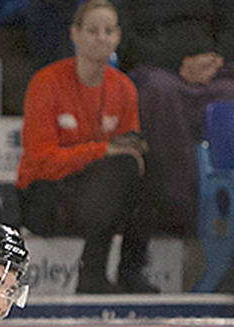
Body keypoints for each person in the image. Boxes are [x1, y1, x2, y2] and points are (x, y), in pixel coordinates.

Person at [17, 0, 156, 294]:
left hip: (95, 194)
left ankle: (131, 270)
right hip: (46, 196)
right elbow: (41, 161)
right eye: (92, 30)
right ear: (75, 34)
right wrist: (102, 150)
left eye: (108, 31)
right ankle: (91, 272)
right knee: (117, 170)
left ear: (118, 36)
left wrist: (120, 155)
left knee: (142, 166)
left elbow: (127, 155)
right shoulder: (46, 83)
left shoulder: (123, 87)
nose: (101, 38)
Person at [113, 0, 234, 236]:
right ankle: (179, 209)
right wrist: (178, 64)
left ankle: (225, 211)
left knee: (228, 95)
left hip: (212, 69)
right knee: (159, 91)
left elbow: (229, 26)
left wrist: (217, 59)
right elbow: (124, 38)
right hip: (156, 66)